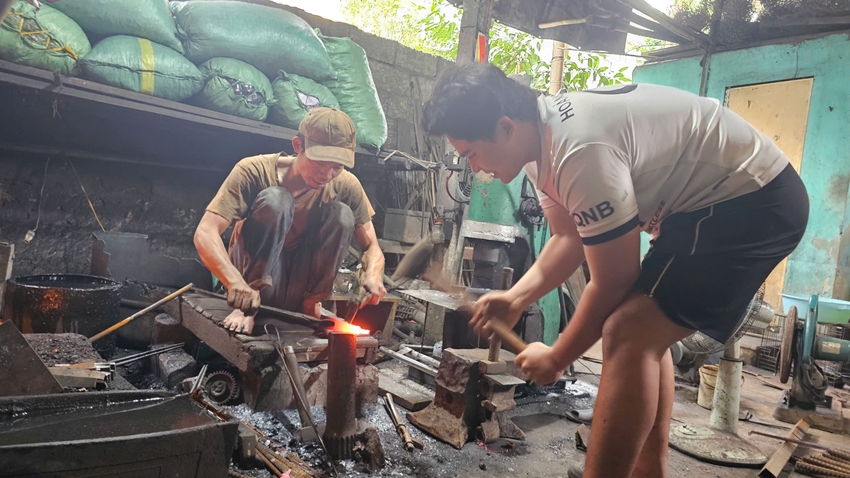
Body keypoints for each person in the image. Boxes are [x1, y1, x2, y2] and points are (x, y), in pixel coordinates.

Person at [422, 64, 808, 478]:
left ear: (504, 127)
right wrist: (516, 298)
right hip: (706, 207)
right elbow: (567, 238)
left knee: (627, 329)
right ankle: (648, 471)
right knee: (641, 329)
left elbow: (612, 282)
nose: (476, 167)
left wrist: (557, 357)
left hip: (752, 199)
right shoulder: (539, 143)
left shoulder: (578, 148)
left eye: (472, 153)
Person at [194, 108, 387, 334]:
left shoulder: (346, 185)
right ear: (298, 146)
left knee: (343, 214)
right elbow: (205, 233)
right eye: (320, 162)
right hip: (252, 282)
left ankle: (310, 306)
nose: (326, 175)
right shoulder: (253, 170)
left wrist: (373, 272)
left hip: (298, 284)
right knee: (277, 200)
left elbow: (372, 246)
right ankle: (247, 308)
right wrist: (234, 283)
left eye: (337, 166)